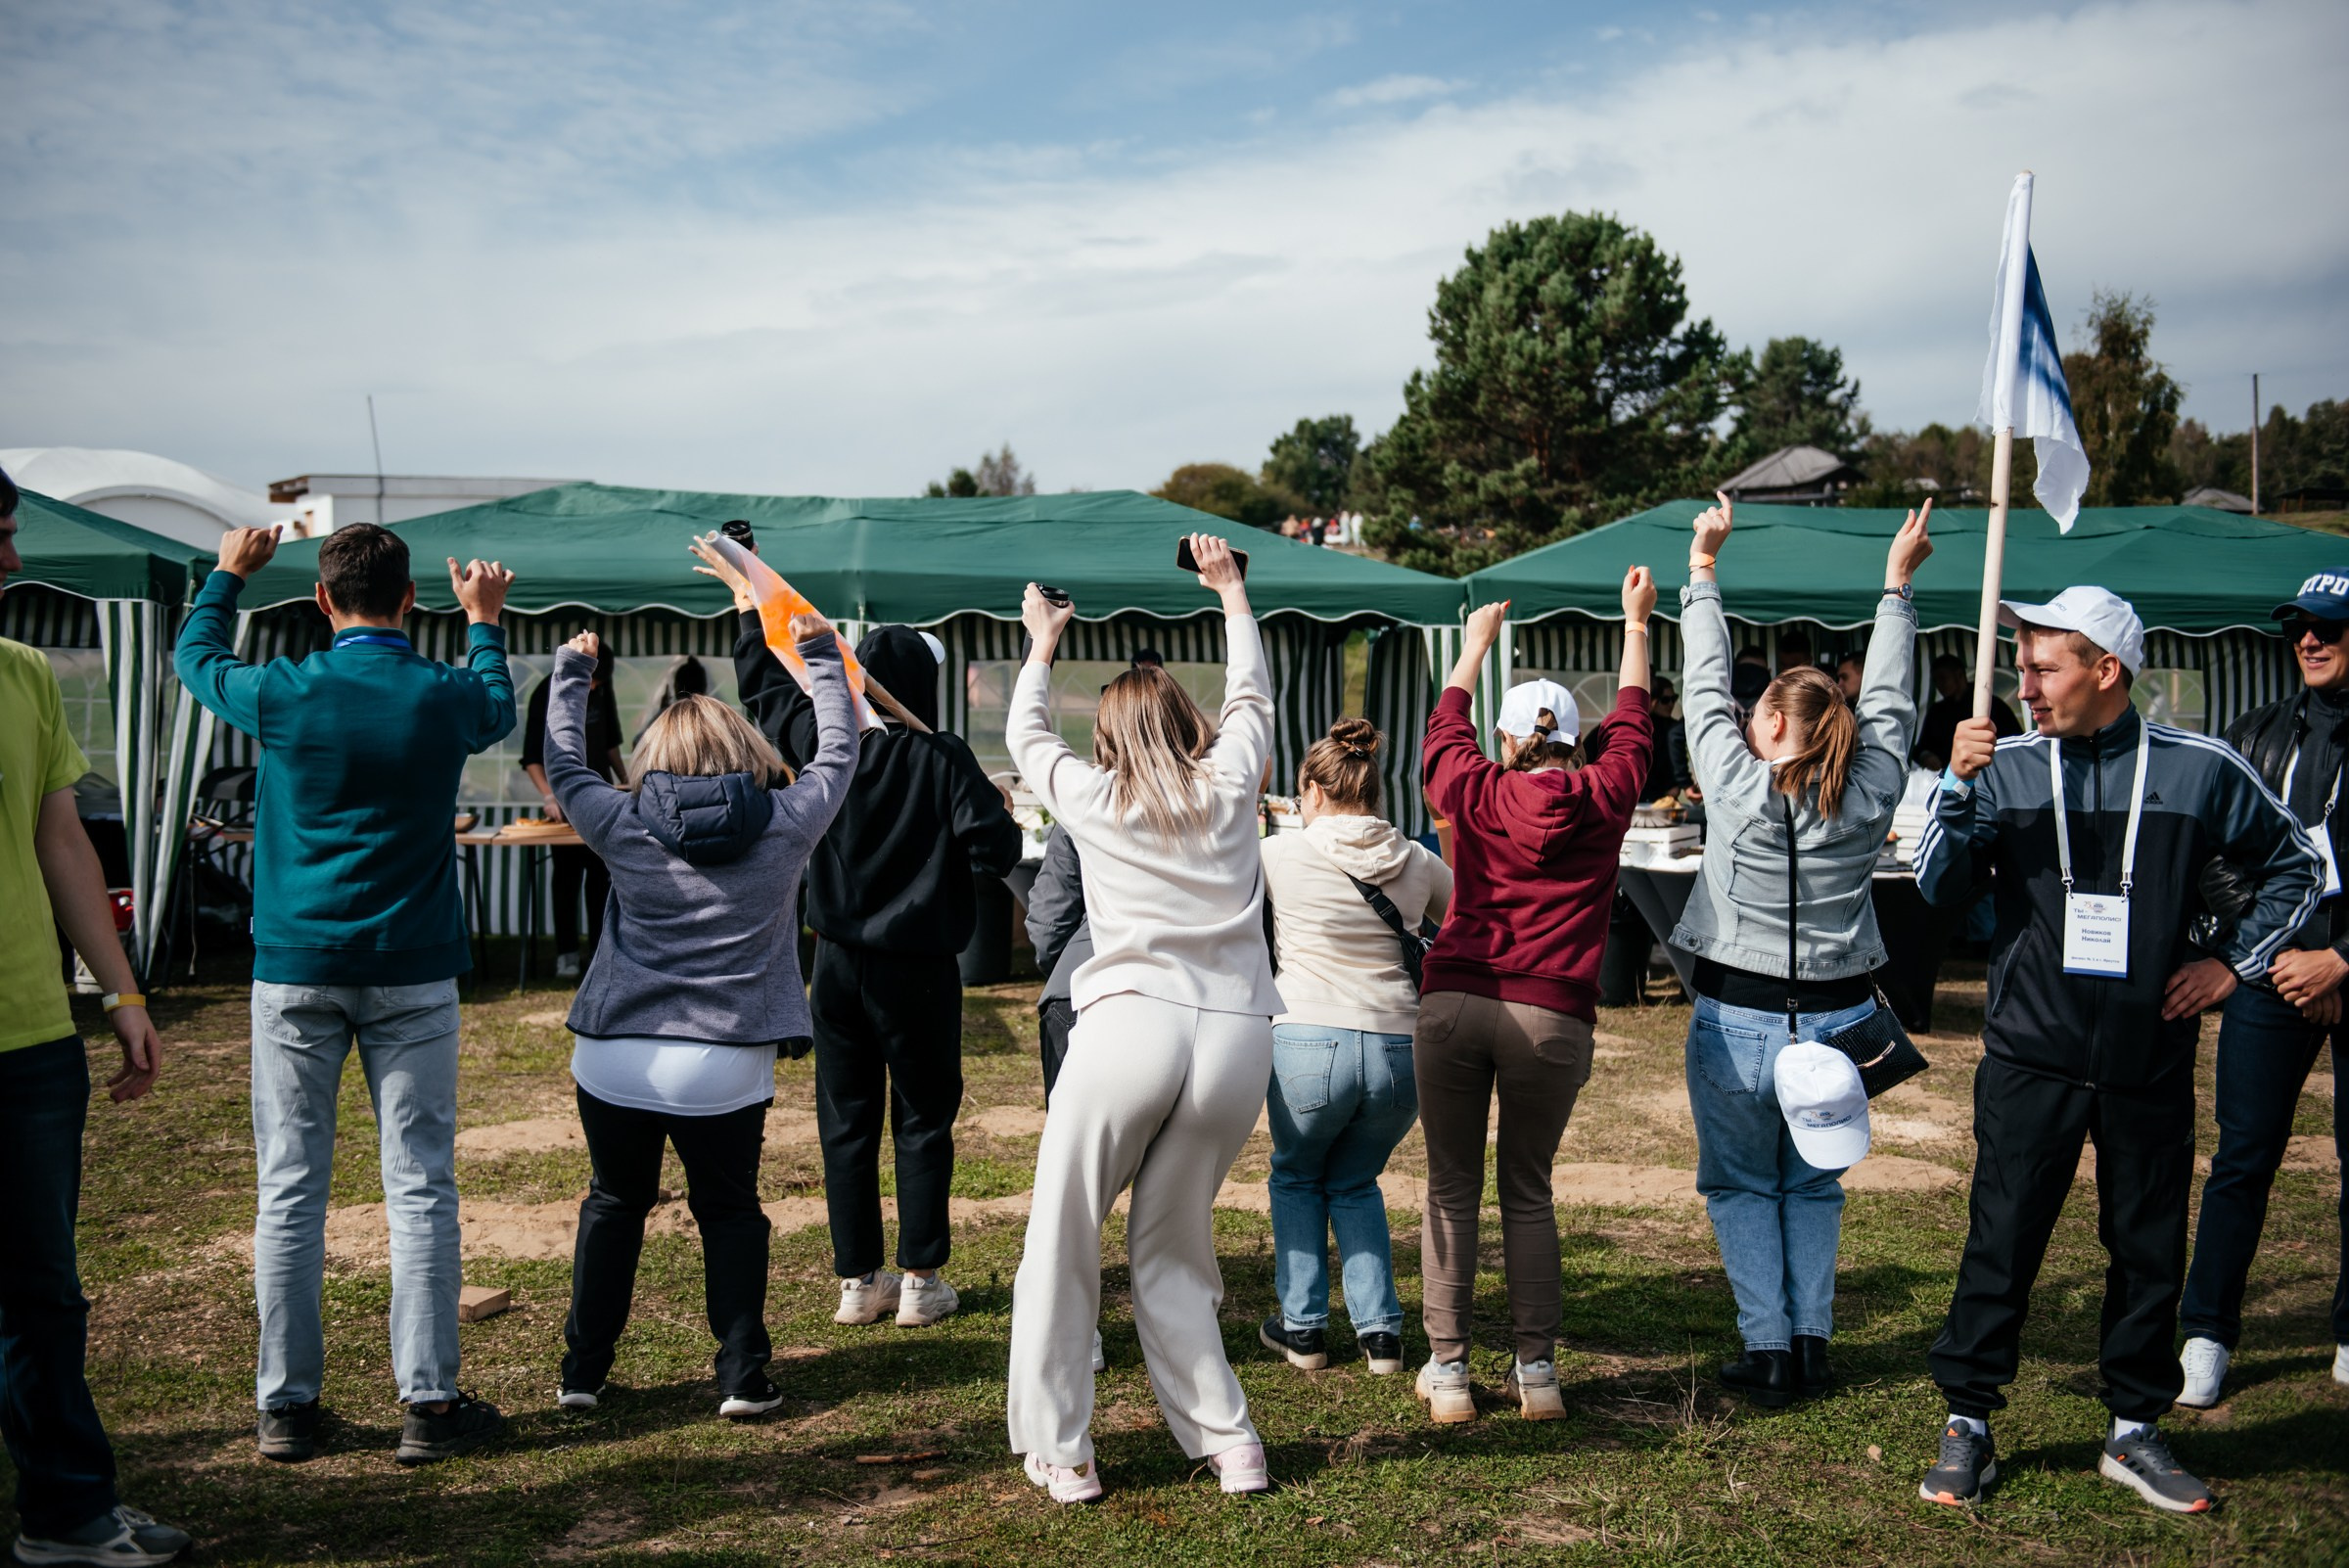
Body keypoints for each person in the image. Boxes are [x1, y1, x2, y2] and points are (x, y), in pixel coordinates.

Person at [1911, 586, 2321, 1514]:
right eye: (2020, 662)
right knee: (2001, 1240)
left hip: (2149, 1055)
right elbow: (1937, 885)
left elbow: (2296, 865)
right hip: (2029, 1053)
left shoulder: (2201, 767)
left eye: (2043, 665)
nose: (2025, 680)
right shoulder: (2005, 765)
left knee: (2145, 1249)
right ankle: (1968, 1420)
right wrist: (1955, 785)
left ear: (2107, 671)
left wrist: (2231, 966)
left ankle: (2134, 1427)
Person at [175, 523, 517, 1467]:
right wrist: (484, 621)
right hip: (411, 966)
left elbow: (195, 657)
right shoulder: (446, 693)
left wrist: (226, 575)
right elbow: (497, 704)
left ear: (323, 603)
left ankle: (287, 1407)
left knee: (290, 1189)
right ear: (411, 600)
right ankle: (429, 1405)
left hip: (297, 963)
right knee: (420, 1187)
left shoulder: (283, 691)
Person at [1004, 533, 1279, 1504]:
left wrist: (1043, 643)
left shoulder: (1092, 796)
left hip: (1130, 1025)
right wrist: (1230, 593)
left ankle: (1066, 1449)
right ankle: (1231, 1445)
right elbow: (1252, 697)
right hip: (1238, 1037)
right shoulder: (1233, 780)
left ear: (1110, 739)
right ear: (1187, 722)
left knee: (1064, 1235)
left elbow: (1026, 739)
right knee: (1173, 1244)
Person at [543, 622, 853, 1418]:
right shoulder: (788, 823)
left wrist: (573, 670)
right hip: (725, 1059)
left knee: (614, 1204)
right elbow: (838, 754)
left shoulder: (619, 820)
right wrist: (821, 660)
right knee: (730, 1210)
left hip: (617, 1054)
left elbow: (564, 762)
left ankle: (583, 1373)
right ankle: (742, 1375)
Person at [709, 549, 1021, 1329]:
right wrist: (974, 809)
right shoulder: (941, 756)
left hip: (837, 967)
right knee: (922, 1117)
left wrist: (750, 608)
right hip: (919, 969)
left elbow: (763, 687)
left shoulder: (825, 745)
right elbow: (1000, 853)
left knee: (845, 1119)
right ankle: (919, 1279)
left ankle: (859, 1280)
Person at [1670, 494, 1930, 1407]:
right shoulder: (1871, 791)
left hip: (1737, 1017)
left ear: (1774, 725)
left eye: (1757, 715)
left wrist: (1704, 569)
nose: (1744, 721)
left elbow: (1704, 686)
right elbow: (1891, 705)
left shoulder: (1733, 782)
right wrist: (1897, 589)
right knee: (1814, 1187)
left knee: (1743, 1186)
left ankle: (1771, 1350)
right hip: (1841, 1016)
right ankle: (1811, 1344)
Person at [0, 472, 192, 1567]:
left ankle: (66, 1512)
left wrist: (119, 992)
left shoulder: (23, 672)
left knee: (42, 1292)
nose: (15, 561)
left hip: (30, 1037)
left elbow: (64, 844)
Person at [1412, 568, 1656, 1424]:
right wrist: (1635, 623)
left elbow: (1443, 732)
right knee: (1527, 1190)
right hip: (1550, 1014)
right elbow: (1635, 725)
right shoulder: (1606, 792)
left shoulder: (1474, 787)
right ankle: (1537, 1373)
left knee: (1450, 1189)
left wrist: (1473, 647)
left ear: (1509, 742)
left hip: (1456, 999)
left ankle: (1448, 1373)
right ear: (1577, 745)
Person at [2176, 568, 2349, 1407]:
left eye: (2330, 627)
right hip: (2268, 971)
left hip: (2347, 967)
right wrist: (2275, 951)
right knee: (2241, 1161)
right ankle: (2206, 1333)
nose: (2310, 641)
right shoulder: (2253, 732)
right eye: (2298, 628)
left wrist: (2342, 961)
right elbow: (2213, 854)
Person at [1257, 718, 1451, 1377]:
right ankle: (1382, 1335)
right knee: (1357, 1179)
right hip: (1399, 1044)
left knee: (1297, 1174)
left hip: (1309, 1038)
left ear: (1312, 790)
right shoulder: (1419, 862)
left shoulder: (1279, 856)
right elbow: (1460, 922)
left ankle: (1304, 1327)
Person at [521, 641, 622, 979]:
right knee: (565, 881)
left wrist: (627, 782)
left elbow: (611, 746)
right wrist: (550, 796)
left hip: (603, 803)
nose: (594, 687)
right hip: (563, 808)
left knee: (601, 882)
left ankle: (598, 952)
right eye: (592, 679)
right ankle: (566, 953)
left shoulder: (604, 691)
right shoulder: (548, 691)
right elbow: (532, 758)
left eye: (598, 682)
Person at [1025, 823, 1089, 1103]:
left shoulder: (1084, 806)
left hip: (1086, 989)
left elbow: (1048, 930)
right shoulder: (1224, 809)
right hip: (1202, 998)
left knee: (1074, 1146)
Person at [1911, 652, 2022, 771]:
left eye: (1943, 678)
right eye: (1936, 681)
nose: (1939, 685)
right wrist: (1926, 756)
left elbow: (2015, 743)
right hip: (1948, 779)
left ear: (1959, 675)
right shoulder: (1936, 712)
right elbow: (1919, 749)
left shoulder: (1991, 705)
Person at [1644, 676, 1686, 801]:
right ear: (1653, 701)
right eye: (1665, 700)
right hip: (1647, 796)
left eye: (1674, 699)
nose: (1671, 704)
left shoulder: (1673, 727)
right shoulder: (1644, 728)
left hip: (1666, 796)